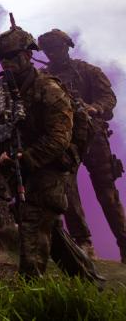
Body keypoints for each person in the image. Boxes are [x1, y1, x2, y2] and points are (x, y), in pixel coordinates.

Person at [0, 23, 102, 281]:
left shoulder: (48, 89)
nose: (6, 63)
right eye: (2, 59)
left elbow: (59, 139)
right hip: (19, 167)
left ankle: (30, 291)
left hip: (47, 168)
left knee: (33, 228)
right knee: (50, 230)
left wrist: (25, 157)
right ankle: (89, 280)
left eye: (11, 57)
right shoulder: (1, 87)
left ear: (26, 55)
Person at [38, 29, 126, 262]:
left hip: (94, 138)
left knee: (107, 194)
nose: (53, 54)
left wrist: (94, 107)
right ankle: (83, 242)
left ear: (67, 47)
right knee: (67, 191)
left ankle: (124, 242)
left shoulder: (88, 71)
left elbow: (109, 99)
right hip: (64, 140)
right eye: (49, 50)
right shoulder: (44, 78)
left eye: (57, 48)